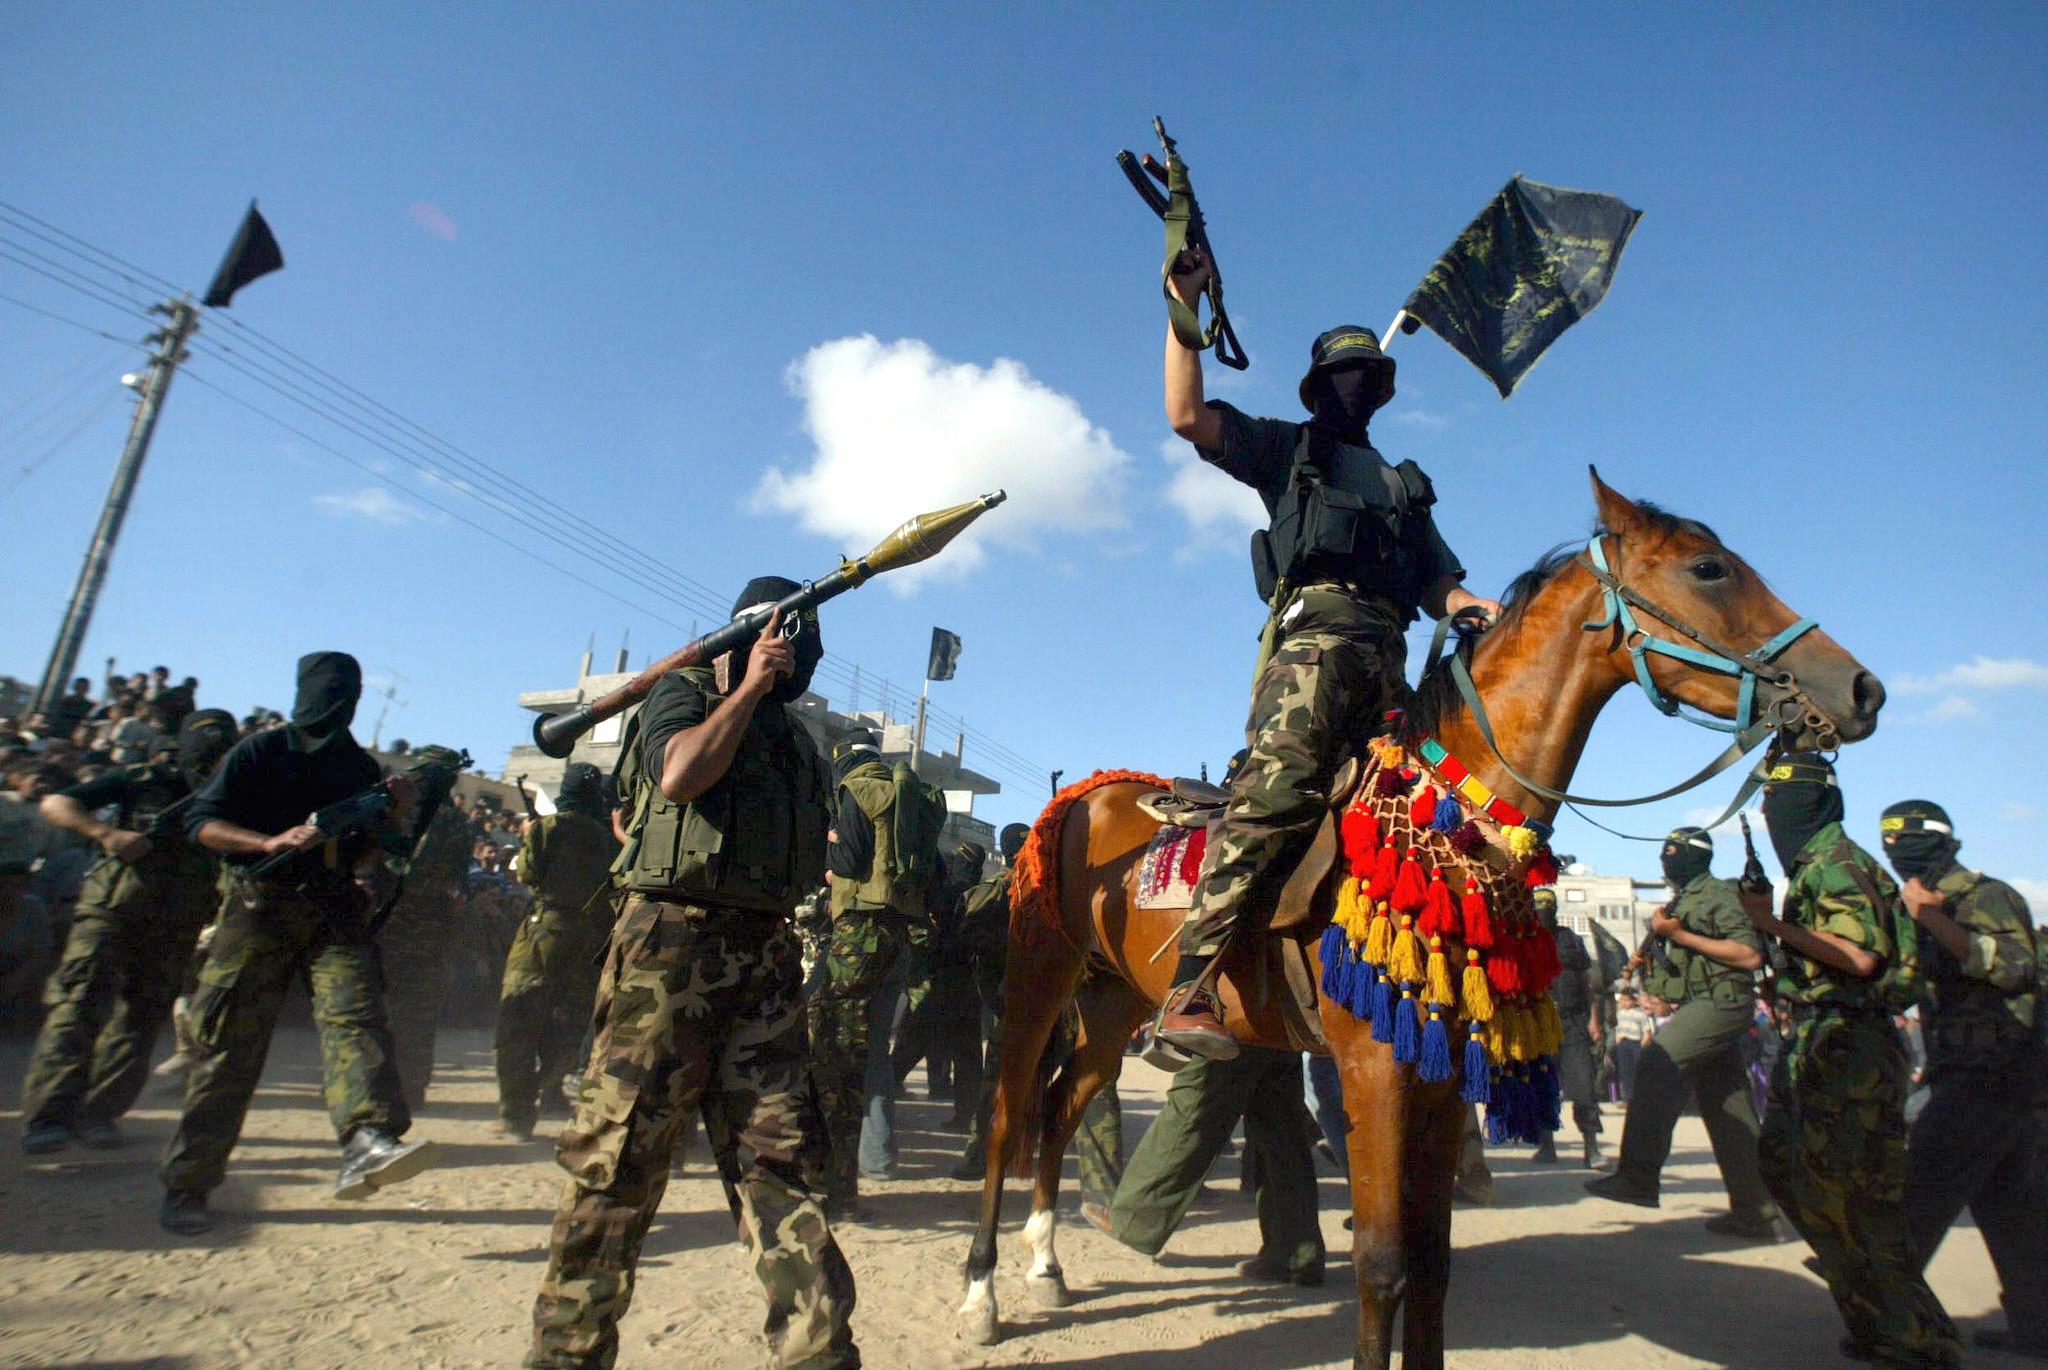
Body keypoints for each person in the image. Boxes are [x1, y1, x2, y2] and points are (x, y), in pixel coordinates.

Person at [1152, 259, 1498, 1057]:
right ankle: (1189, 986)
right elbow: (1185, 414)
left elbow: (1440, 583)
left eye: (1366, 375)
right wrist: (1184, 304)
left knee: (1446, 806)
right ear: (1317, 387)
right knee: (1277, 796)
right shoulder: (1289, 451)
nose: (1355, 386)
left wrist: (1482, 610)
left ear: (1383, 388)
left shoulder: (1405, 484)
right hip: (1312, 655)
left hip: (1392, 668)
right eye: (1341, 375)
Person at [528, 580, 855, 1370]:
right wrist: (745, 689)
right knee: (621, 1163)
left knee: (782, 1166)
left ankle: (817, 1353)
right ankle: (569, 1353)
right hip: (670, 952)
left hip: (766, 957)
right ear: (748, 637)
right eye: (784, 636)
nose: (797, 656)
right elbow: (680, 776)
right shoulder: (678, 698)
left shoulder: (799, 744)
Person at [158, 652, 439, 1236]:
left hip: (333, 911)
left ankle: (367, 1137)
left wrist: (394, 815)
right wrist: (267, 842)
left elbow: (374, 849)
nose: (338, 702)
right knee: (229, 1050)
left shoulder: (360, 767)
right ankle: (190, 1182)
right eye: (331, 690)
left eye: (348, 691)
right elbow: (201, 822)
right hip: (259, 909)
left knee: (357, 1020)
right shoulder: (262, 751)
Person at [1744, 753, 1960, 1368]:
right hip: (1822, 1037)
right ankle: (1877, 1320)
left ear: (1802, 803)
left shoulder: (1837, 864)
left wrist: (1769, 925)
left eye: (1774, 801)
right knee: (1791, 1169)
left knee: (1857, 1201)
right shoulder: (1815, 864)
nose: (1767, 814)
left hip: (1850, 1046)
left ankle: (1919, 1339)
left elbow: (1860, 958)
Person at [19, 711, 235, 1153]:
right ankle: (49, 1116)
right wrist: (105, 834)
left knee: (141, 1015)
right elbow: (57, 803)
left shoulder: (232, 794)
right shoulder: (142, 778)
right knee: (79, 1003)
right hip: (112, 907)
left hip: (177, 920)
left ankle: (100, 1114)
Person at [1881, 799, 2046, 1360]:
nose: (1896, 849)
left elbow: (2017, 967)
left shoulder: (1986, 896)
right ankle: (2037, 1324)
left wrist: (1931, 919)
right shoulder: (1917, 903)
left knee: (1919, 1197)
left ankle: (1895, 1328)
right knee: (2012, 1212)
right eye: (1888, 840)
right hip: (1972, 1070)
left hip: (1995, 1071)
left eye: (1905, 838)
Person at [1586, 828, 1783, 1238]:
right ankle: (1756, 1210)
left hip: (1722, 1001)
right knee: (1728, 1109)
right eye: (1665, 852)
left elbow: (1748, 954)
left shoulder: (1719, 894)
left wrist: (1678, 934)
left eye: (1675, 853)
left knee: (1659, 1062)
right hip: (1703, 1001)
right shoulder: (1688, 896)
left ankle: (1638, 1178)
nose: (1667, 860)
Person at [1081, 1043, 1325, 1286]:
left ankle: (1136, 1218)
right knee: (1277, 1112)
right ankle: (1295, 1254)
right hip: (1285, 1018)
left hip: (1243, 1015)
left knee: (1201, 1089)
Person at [807, 726, 920, 1212]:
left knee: (833, 1048)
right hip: (899, 936)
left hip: (860, 933)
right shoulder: (908, 794)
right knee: (874, 1048)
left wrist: (830, 851)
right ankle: (878, 1156)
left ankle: (834, 1178)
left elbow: (849, 861)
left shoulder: (857, 788)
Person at [493, 761, 617, 1139]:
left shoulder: (550, 827)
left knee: (517, 1023)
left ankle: (516, 1115)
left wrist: (529, 834)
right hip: (592, 936)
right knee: (569, 1022)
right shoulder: (606, 836)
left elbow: (528, 874)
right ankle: (551, 1085)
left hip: (544, 933)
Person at [375, 745, 473, 1110]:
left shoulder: (396, 808)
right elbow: (458, 884)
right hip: (425, 931)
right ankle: (410, 1088)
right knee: (414, 1014)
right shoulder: (454, 822)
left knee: (377, 1008)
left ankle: (370, 1083)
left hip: (390, 925)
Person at [1531, 890, 1606, 1169]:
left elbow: (1588, 983)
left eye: (1548, 906)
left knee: (1584, 1086)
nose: (1544, 911)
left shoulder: (1571, 940)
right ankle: (1547, 1146)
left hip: (1574, 1021)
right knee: (1544, 1086)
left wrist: (1594, 1018)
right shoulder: (1526, 939)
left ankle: (1592, 1148)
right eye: (1539, 906)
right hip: (1540, 1023)